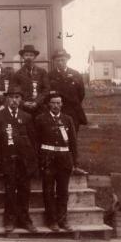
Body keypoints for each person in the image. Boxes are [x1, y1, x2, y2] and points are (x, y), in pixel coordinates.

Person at [0, 86, 38, 233]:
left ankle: (25, 220)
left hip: (24, 161)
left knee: (25, 191)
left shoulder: (26, 117)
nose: (14, 100)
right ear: (7, 99)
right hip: (8, 160)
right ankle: (10, 220)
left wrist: (32, 161)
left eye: (17, 97)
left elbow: (33, 140)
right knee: (10, 191)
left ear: (21, 100)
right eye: (11, 97)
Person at [34, 92, 78, 232]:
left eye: (58, 103)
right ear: (48, 104)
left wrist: (74, 161)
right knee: (48, 191)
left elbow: (73, 142)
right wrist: (38, 160)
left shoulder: (67, 119)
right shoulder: (41, 119)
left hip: (64, 159)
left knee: (63, 191)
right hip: (48, 159)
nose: (56, 105)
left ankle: (63, 220)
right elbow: (36, 142)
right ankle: (51, 221)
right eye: (53, 103)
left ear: (62, 104)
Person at [48, 49, 89, 176]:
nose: (60, 62)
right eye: (58, 60)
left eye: (63, 59)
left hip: (72, 112)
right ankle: (58, 166)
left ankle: (74, 165)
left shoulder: (76, 74)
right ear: (54, 61)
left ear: (67, 60)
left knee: (72, 138)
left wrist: (72, 106)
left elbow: (81, 93)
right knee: (55, 138)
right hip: (56, 111)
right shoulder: (50, 76)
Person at [11, 44, 50, 116]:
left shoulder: (42, 72)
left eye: (31, 55)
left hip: (39, 108)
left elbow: (46, 90)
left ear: (35, 57)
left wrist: (37, 102)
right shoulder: (17, 74)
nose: (29, 57)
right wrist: (23, 103)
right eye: (26, 55)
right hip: (24, 109)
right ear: (23, 57)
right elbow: (15, 92)